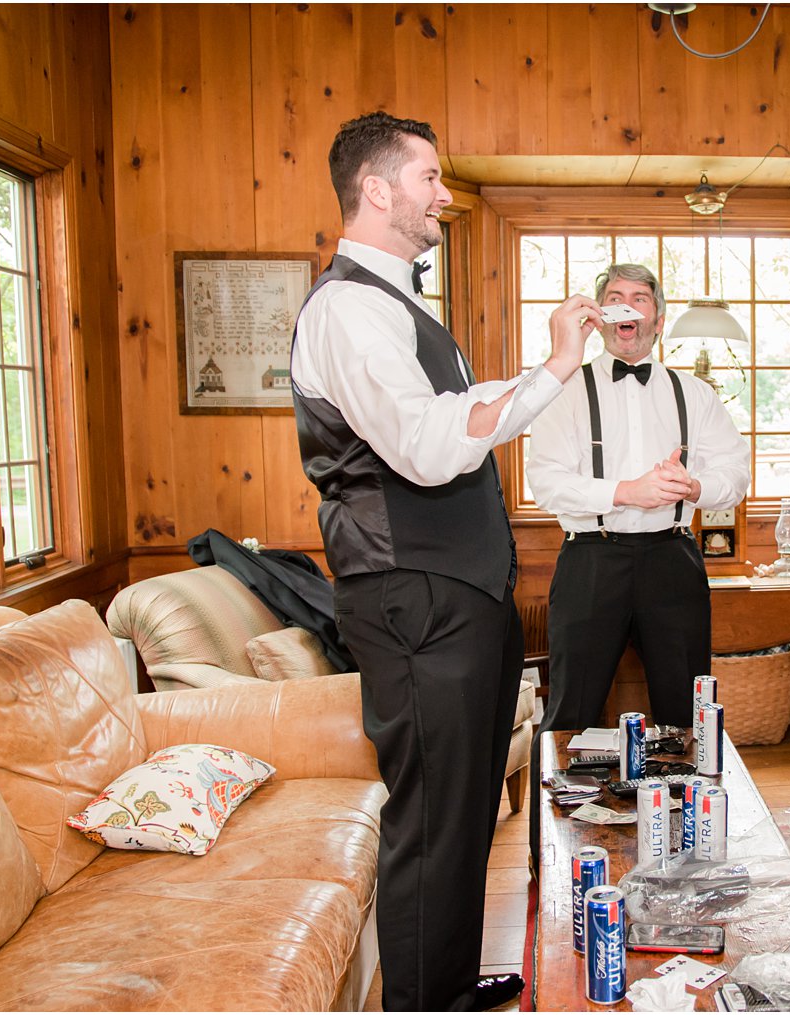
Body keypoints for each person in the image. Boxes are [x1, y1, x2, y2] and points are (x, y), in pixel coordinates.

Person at [290, 112, 601, 1012]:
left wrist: (551, 367)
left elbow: (458, 408)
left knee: (466, 812)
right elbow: (430, 448)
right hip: (413, 596)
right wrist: (549, 371)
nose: (444, 195)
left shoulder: (396, 306)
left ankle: (449, 987)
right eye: (429, 178)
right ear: (378, 190)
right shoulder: (348, 309)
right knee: (432, 820)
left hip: (457, 592)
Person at [527, 264, 750, 732]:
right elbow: (545, 481)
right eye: (614, 296)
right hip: (590, 559)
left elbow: (734, 473)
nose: (626, 304)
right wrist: (626, 492)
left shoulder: (695, 394)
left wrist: (694, 487)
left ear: (658, 320)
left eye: (640, 298)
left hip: (672, 558)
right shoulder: (562, 389)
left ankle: (684, 804)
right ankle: (561, 805)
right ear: (599, 316)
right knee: (572, 707)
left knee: (686, 708)